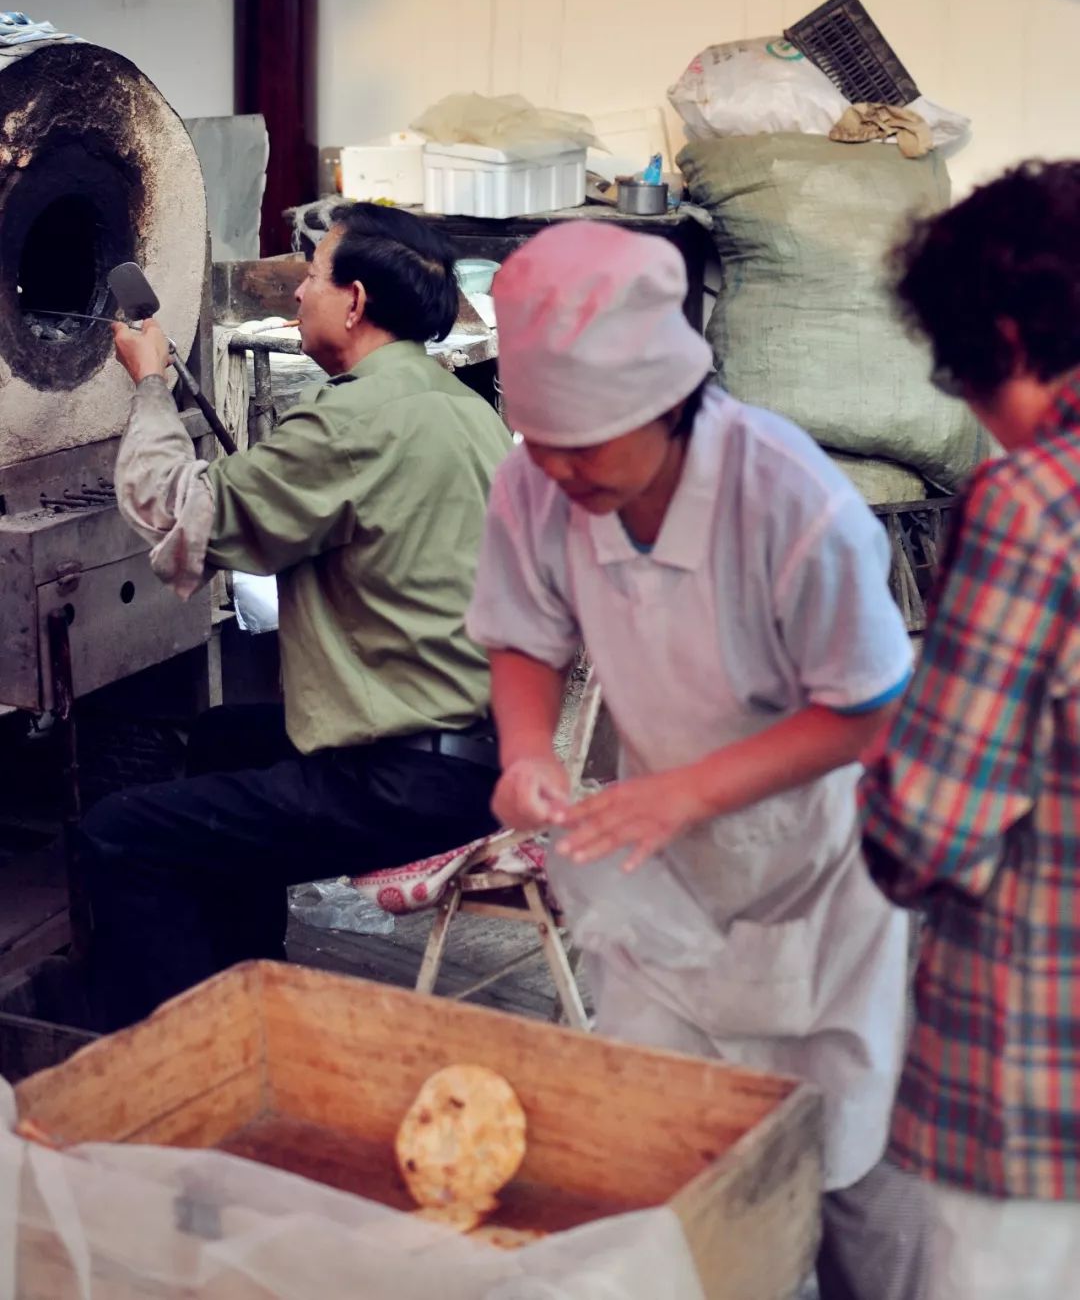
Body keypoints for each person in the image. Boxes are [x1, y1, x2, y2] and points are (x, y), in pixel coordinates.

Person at [465, 220, 928, 1299]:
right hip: (667, 885)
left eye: (588, 442)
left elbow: (866, 707)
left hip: (823, 877)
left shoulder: (791, 501)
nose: (561, 467)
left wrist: (685, 791)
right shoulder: (536, 482)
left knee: (849, 1160)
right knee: (664, 1148)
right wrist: (526, 749)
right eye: (541, 439)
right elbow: (525, 636)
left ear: (669, 405)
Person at [80, 203, 511, 1029]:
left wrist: (150, 385)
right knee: (220, 741)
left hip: (406, 783)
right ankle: (251, 988)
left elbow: (179, 513)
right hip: (483, 754)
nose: (298, 296)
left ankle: (185, 1060)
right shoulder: (463, 408)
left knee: (118, 833)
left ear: (353, 303)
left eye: (312, 278)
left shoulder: (349, 424)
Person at [860, 161, 1080, 1300]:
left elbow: (929, 831)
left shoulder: (1034, 505)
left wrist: (879, 757)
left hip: (1039, 1078)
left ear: (1007, 337)